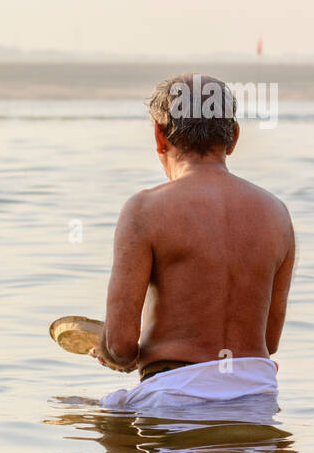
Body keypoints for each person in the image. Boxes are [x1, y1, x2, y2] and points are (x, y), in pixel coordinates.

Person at [91, 73, 295, 410]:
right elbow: (268, 341)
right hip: (257, 397)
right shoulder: (276, 213)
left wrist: (106, 350)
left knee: (75, 426)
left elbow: (122, 345)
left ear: (159, 134)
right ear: (233, 138)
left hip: (174, 397)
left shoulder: (145, 209)